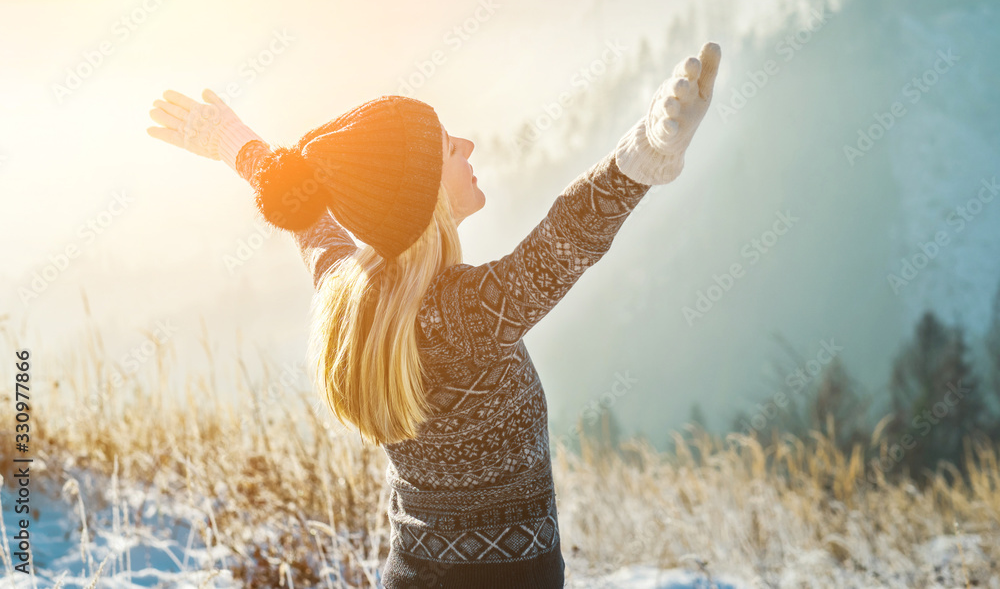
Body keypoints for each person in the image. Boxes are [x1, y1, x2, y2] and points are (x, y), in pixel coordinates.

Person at [146, 41, 721, 588]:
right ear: (422, 196)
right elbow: (562, 241)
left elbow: (306, 215)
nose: (468, 146)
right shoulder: (462, 317)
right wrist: (644, 154)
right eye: (449, 148)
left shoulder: (349, 293)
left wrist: (232, 141)